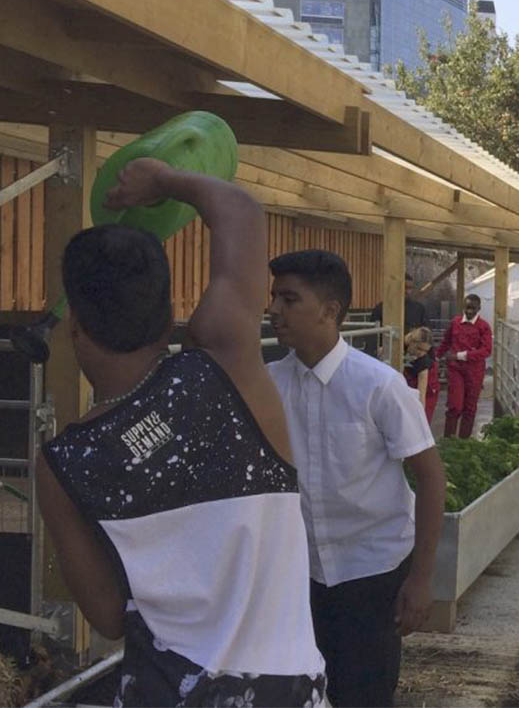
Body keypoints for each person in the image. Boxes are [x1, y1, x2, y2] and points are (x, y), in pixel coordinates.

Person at [36, 159, 326, 706]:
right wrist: (165, 181)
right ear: (169, 308)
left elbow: (106, 615)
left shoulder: (65, 461)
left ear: (74, 324)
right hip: (285, 691)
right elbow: (239, 210)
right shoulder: (228, 366)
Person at [267, 250, 446, 708]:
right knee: (301, 692)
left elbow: (430, 478)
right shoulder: (267, 387)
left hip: (372, 573)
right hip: (299, 574)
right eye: (274, 298)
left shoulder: (378, 386)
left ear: (330, 311)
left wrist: (421, 578)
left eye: (289, 299)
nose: (274, 311)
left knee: (363, 694)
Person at [436, 294, 492, 438]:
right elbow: (446, 342)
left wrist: (461, 355)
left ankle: (463, 442)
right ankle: (448, 440)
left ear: (479, 308)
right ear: (463, 307)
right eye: (467, 308)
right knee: (455, 405)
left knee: (470, 407)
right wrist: (436, 357)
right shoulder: (455, 323)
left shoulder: (483, 326)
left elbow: (486, 350)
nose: (470, 311)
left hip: (474, 371)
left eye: (473, 308)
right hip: (455, 369)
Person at [404, 326, 441, 424]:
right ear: (412, 342)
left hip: (428, 388)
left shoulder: (424, 360)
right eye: (419, 349)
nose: (422, 353)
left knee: (422, 420)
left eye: (426, 350)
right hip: (410, 379)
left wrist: (421, 420)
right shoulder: (402, 342)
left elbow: (421, 396)